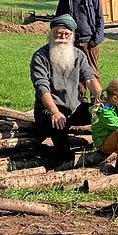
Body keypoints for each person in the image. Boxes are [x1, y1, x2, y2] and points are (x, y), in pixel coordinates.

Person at [31, 14, 103, 165]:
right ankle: (64, 163)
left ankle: (108, 149)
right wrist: (54, 112)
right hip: (49, 110)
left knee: (105, 113)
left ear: (72, 35)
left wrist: (99, 97)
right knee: (58, 125)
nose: (62, 38)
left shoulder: (79, 55)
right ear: (51, 33)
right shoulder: (40, 56)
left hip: (75, 107)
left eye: (66, 34)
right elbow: (42, 88)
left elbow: (90, 78)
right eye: (59, 33)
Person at [54, 0, 104, 91]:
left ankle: (97, 99)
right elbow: (59, 20)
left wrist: (96, 40)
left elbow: (100, 20)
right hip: (72, 42)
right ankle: (81, 99)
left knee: (92, 72)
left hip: (90, 43)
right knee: (75, 73)